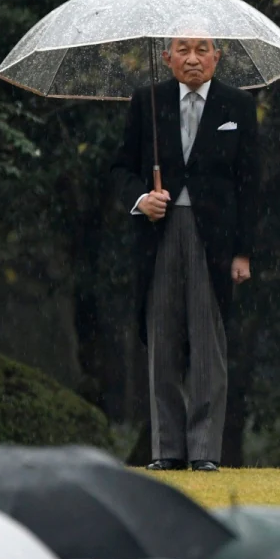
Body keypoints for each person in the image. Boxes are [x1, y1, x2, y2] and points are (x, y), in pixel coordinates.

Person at [109, 25, 260, 472]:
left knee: (208, 342)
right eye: (183, 50)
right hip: (160, 233)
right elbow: (120, 169)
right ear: (166, 58)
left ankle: (205, 452)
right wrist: (142, 200)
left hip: (215, 238)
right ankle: (166, 449)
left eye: (202, 50)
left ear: (217, 57)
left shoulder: (239, 105)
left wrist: (243, 252)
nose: (192, 58)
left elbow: (250, 184)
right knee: (162, 340)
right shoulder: (147, 102)